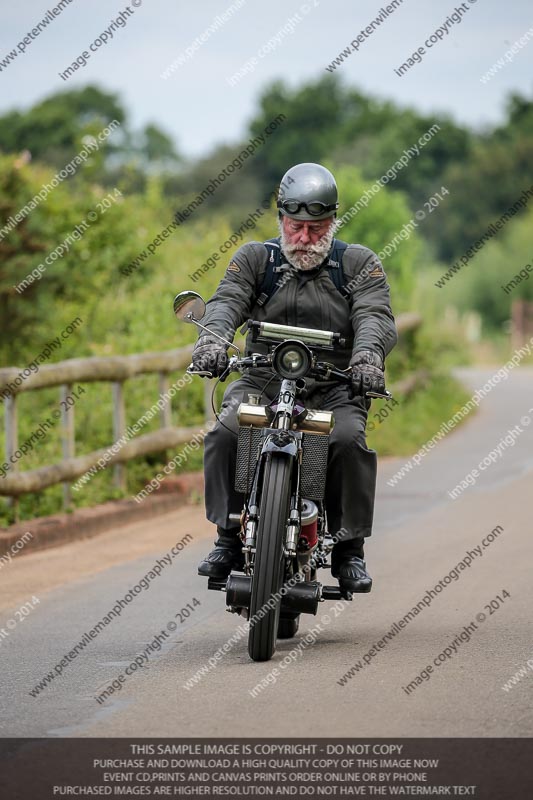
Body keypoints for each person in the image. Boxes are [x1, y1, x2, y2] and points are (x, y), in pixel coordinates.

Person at [191, 162, 397, 594]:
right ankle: (228, 537)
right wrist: (211, 343)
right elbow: (226, 301)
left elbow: (375, 316)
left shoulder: (358, 264)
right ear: (280, 218)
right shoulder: (253, 259)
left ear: (333, 221)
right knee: (227, 432)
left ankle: (348, 549)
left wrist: (367, 359)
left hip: (336, 384)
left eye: (316, 228)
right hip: (261, 378)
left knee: (346, 440)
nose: (304, 238)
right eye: (295, 225)